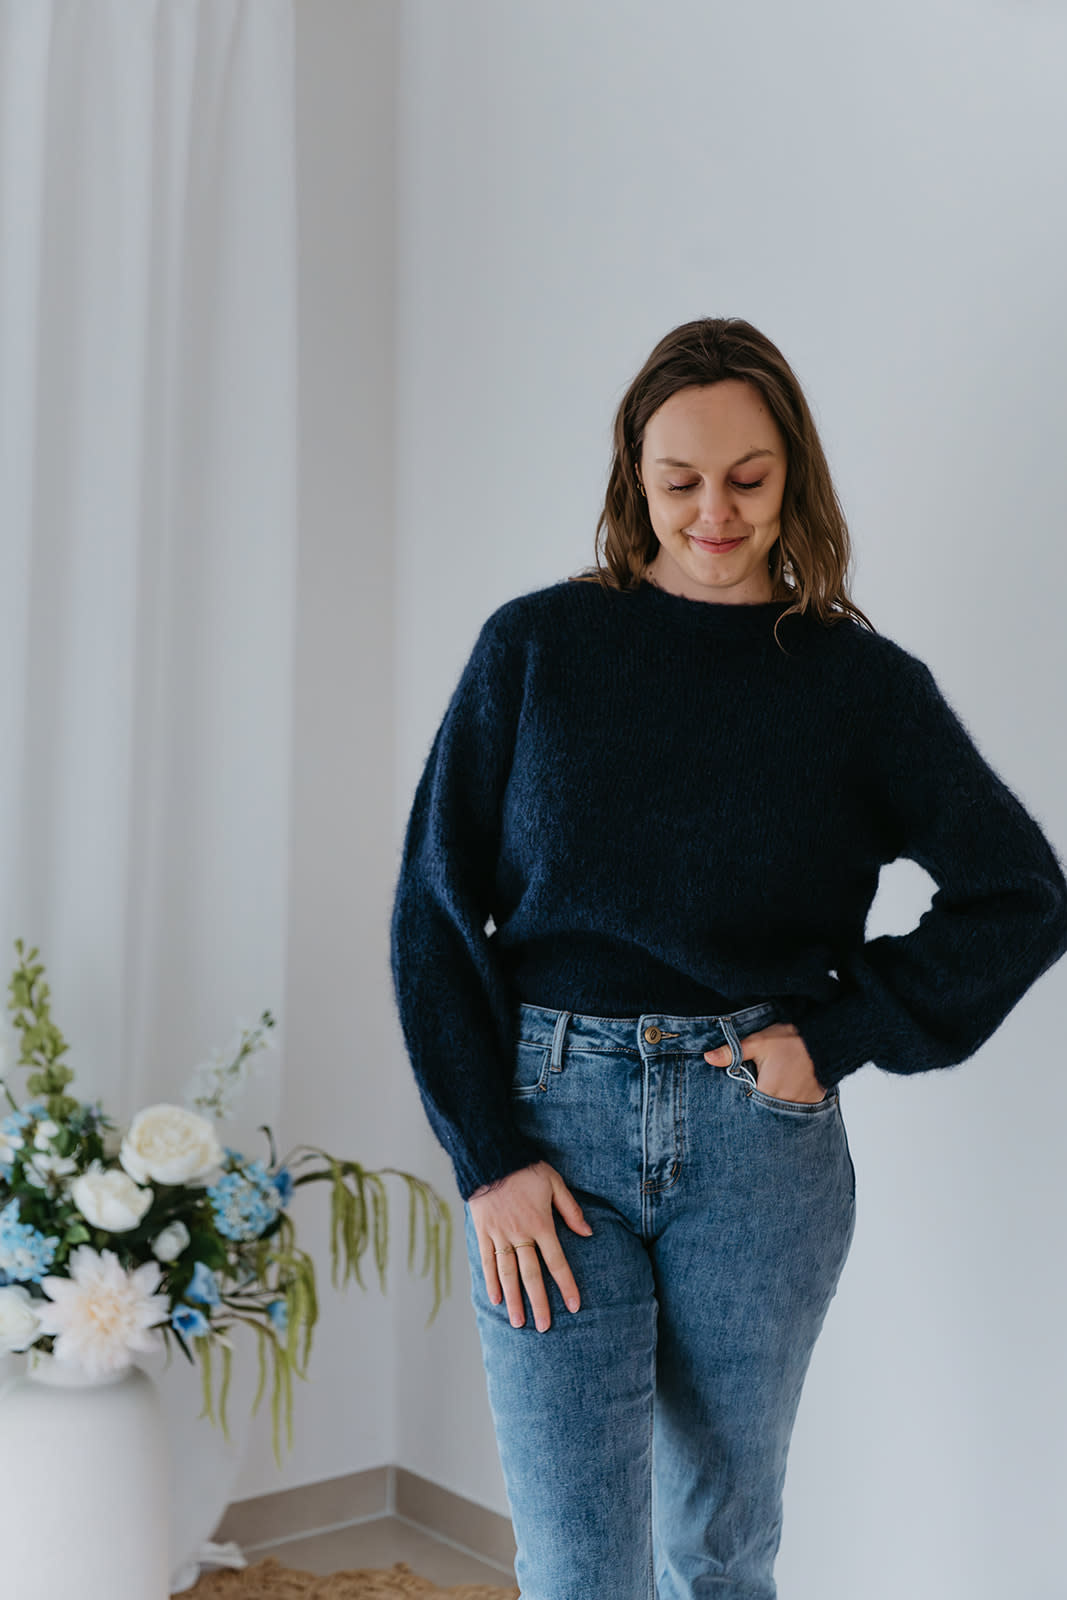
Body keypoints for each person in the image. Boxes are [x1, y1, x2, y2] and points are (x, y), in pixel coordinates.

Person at [389, 317, 1067, 1600]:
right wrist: (487, 1159)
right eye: (680, 480)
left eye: (747, 479)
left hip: (758, 1149)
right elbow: (433, 911)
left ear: (791, 472)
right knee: (578, 1567)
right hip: (551, 1136)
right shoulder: (534, 649)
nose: (714, 512)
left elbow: (1021, 895)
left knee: (717, 1552)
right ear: (632, 481)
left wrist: (838, 1033)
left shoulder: (861, 688)